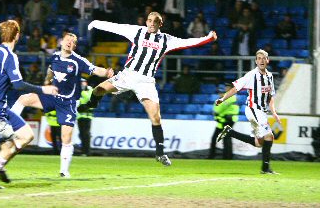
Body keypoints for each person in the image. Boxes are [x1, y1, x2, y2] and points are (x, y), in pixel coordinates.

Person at [80, 12, 218, 166]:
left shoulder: (167, 40)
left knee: (156, 117)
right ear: (146, 21)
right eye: (150, 21)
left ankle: (160, 153)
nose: (152, 24)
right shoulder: (137, 31)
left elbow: (188, 42)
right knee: (98, 90)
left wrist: (208, 38)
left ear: (161, 24)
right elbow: (116, 27)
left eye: (156, 21)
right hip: (127, 75)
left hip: (146, 82)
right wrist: (96, 22)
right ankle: (92, 104)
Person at [10, 33, 114, 177]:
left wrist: (107, 72)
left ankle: (64, 171)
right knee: (23, 98)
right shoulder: (55, 56)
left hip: (68, 103)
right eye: (67, 40)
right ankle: (9, 128)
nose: (69, 43)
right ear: (61, 41)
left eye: (72, 42)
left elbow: (95, 69)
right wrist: (47, 80)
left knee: (66, 138)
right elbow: (50, 70)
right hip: (52, 96)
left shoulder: (78, 61)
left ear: (75, 46)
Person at [0, 20, 58, 189]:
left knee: (27, 135)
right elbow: (18, 85)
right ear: (17, 36)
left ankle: (0, 163)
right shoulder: (10, 56)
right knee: (9, 146)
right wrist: (43, 89)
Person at [216, 49, 281, 174]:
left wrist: (274, 112)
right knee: (269, 136)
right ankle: (265, 169)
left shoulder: (270, 76)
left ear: (268, 60)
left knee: (258, 142)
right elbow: (235, 89)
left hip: (261, 112)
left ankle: (230, 132)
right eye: (259, 58)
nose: (261, 60)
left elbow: (271, 96)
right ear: (256, 61)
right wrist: (222, 99)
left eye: (264, 58)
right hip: (253, 110)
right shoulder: (251, 75)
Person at [208, 83, 239, 159]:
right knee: (221, 138)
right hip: (222, 121)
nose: (226, 88)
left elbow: (219, 109)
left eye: (228, 87)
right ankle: (219, 156)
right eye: (226, 87)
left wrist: (217, 113)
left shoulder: (231, 97)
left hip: (228, 120)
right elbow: (215, 109)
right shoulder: (224, 98)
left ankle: (226, 156)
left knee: (226, 138)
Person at [77, 78, 93, 156]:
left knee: (86, 134)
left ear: (86, 83)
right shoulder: (78, 91)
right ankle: (83, 150)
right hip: (80, 116)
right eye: (80, 83)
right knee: (82, 134)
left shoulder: (89, 90)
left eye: (83, 82)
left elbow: (88, 98)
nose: (81, 84)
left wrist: (82, 92)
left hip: (87, 116)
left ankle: (86, 151)